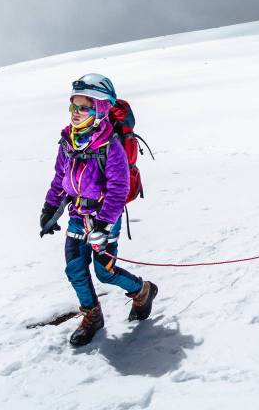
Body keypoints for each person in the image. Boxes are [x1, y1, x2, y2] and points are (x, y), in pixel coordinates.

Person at [39, 73, 158, 347]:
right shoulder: (68, 140)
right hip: (77, 216)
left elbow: (118, 189)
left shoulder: (110, 146)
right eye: (73, 106)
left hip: (105, 217)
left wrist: (103, 225)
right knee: (75, 269)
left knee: (105, 271)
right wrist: (49, 207)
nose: (76, 112)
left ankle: (143, 290)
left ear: (101, 108)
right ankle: (92, 315)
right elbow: (60, 177)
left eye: (84, 107)